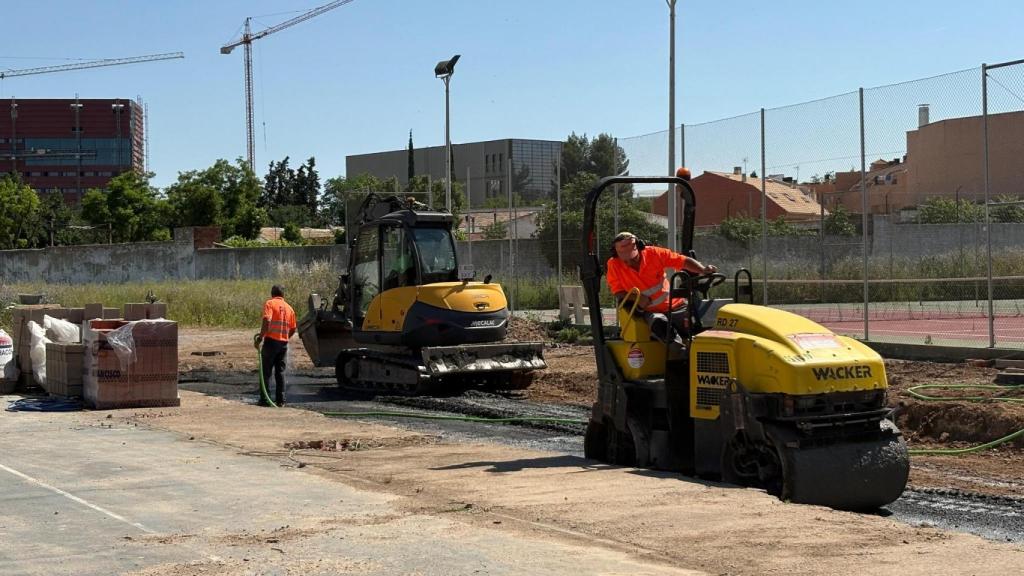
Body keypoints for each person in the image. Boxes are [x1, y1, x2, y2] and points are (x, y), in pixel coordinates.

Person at [605, 231, 717, 342]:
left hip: (677, 306)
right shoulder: (613, 265)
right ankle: (678, 351)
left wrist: (703, 270)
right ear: (616, 253)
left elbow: (682, 261)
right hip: (650, 312)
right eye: (625, 259)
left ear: (639, 247)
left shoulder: (654, 254)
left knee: (701, 324)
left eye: (632, 258)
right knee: (662, 327)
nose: (629, 262)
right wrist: (637, 298)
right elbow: (618, 292)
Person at [255, 285, 297, 406]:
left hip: (271, 342)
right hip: (283, 344)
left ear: (272, 294)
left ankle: (264, 399)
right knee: (280, 373)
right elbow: (294, 328)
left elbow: (267, 320)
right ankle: (281, 401)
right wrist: (285, 337)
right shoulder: (290, 308)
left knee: (266, 371)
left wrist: (260, 337)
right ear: (283, 295)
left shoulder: (270, 304)